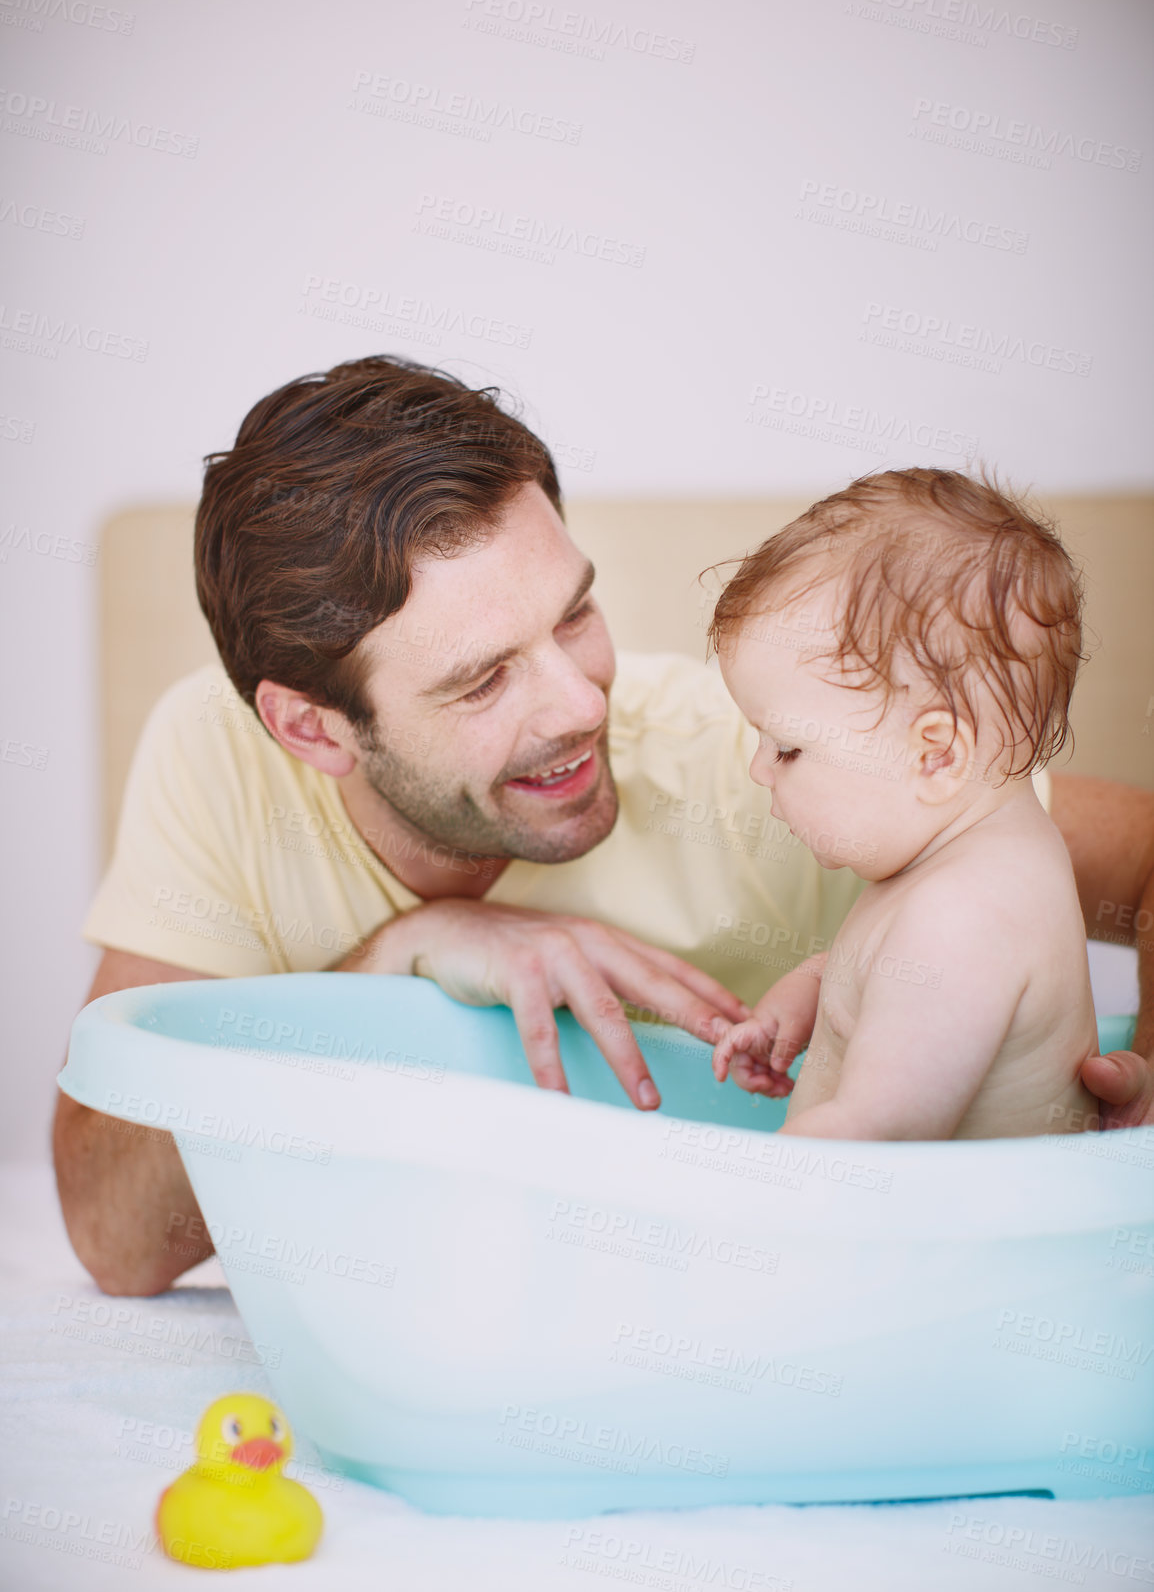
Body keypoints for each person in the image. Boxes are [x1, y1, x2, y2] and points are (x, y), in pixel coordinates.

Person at [53, 357, 1154, 1293]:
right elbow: (113, 1239)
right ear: (312, 728)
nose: (585, 706)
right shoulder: (222, 758)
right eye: (483, 678)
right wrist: (390, 959)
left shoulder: (785, 765)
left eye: (573, 612)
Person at [710, 469, 1099, 1138]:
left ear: (936, 754)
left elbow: (878, 1133)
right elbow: (902, 983)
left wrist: (729, 1193)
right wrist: (815, 991)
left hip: (957, 1242)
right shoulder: (958, 863)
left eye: (788, 749)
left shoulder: (967, 913)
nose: (758, 771)